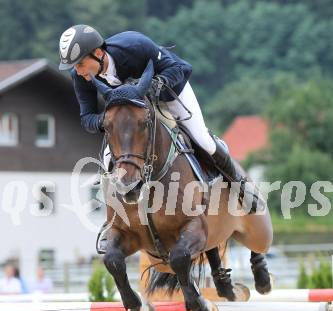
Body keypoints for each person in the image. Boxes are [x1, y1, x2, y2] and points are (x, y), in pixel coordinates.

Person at [58, 24, 262, 214]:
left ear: (99, 53)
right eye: (74, 67)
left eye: (81, 64)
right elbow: (87, 118)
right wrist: (107, 120)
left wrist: (159, 83)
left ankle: (240, 185)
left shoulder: (134, 46)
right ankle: (113, 223)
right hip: (131, 117)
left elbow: (179, 69)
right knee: (107, 158)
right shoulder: (81, 77)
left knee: (203, 140)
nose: (77, 71)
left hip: (169, 92)